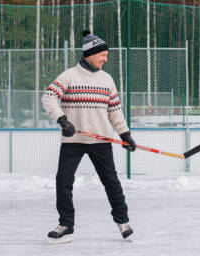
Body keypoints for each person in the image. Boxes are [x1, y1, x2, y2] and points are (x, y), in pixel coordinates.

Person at [42, 30, 137, 243]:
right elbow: (49, 98)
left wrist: (125, 133)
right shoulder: (69, 76)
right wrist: (62, 120)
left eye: (106, 56)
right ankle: (66, 224)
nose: (105, 59)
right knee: (63, 181)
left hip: (101, 140)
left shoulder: (107, 80)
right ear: (90, 54)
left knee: (111, 181)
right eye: (102, 55)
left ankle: (123, 221)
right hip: (73, 141)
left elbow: (114, 110)